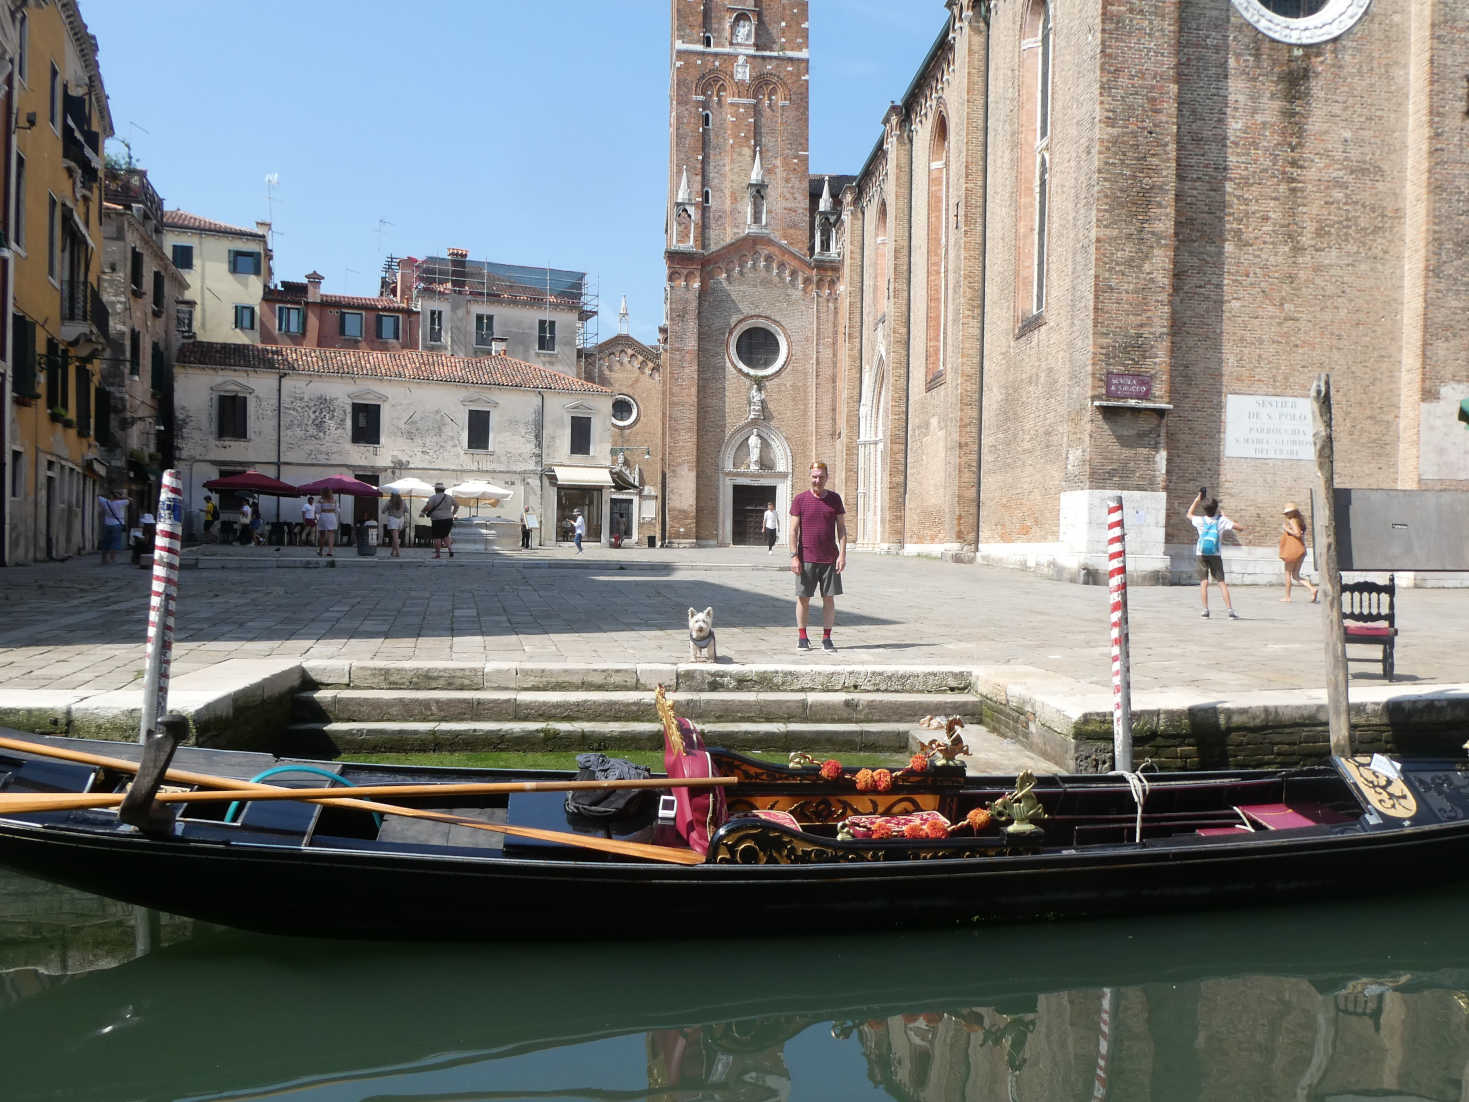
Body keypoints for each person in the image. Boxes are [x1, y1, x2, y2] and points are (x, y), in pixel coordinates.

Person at [789, 461, 847, 651]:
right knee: (803, 598)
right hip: (806, 557)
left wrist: (842, 555)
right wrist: (794, 556)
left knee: (828, 598)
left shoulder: (835, 499)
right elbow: (793, 531)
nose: (817, 480)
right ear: (810, 476)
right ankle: (802, 637)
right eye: (814, 476)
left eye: (821, 477)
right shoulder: (800, 499)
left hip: (830, 558)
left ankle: (827, 638)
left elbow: (841, 529)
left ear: (827, 477)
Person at [1187, 490, 1244, 619]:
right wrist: (1226, 517)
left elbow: (1189, 514)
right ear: (1216, 508)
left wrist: (1197, 499)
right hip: (1215, 554)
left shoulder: (1200, 520)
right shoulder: (1221, 521)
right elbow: (1240, 528)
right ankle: (1230, 611)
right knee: (1221, 582)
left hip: (1201, 553)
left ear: (1204, 509)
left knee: (1204, 582)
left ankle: (1205, 610)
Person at [1279, 503, 1319, 603]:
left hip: (1292, 551)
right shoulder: (1299, 521)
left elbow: (1297, 534)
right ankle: (1312, 589)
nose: (1286, 515)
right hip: (1300, 550)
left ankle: (1287, 597)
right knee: (1296, 575)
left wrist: (1286, 529)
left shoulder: (1292, 521)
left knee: (1288, 574)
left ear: (1293, 513)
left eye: (1287, 513)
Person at [421, 482, 457, 559]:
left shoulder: (433, 497)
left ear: (436, 489)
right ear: (444, 490)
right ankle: (450, 550)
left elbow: (428, 506)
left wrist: (422, 512)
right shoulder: (450, 497)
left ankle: (438, 554)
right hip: (448, 519)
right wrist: (452, 514)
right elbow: (457, 505)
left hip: (437, 519)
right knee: (445, 535)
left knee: (437, 537)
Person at [97, 489, 128, 564]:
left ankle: (104, 559)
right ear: (117, 497)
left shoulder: (105, 502)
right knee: (115, 542)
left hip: (107, 524)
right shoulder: (121, 503)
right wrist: (121, 496)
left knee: (106, 542)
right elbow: (130, 499)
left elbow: (98, 496)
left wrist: (107, 495)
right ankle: (112, 558)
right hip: (117, 524)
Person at [383, 491, 407, 557]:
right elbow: (407, 510)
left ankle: (398, 552)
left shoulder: (389, 502)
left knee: (395, 537)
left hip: (393, 519)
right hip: (401, 519)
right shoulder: (403, 502)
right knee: (395, 537)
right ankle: (393, 552)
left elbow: (383, 511)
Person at [316, 489, 339, 557]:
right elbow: (337, 510)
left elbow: (317, 510)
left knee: (322, 535)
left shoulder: (321, 500)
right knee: (331, 534)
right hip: (332, 517)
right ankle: (330, 551)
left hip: (323, 516)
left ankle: (321, 550)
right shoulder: (334, 500)